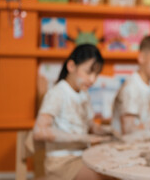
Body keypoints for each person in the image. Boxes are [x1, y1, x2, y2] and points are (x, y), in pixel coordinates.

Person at [33, 44, 113, 180]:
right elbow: (39, 132)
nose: (93, 79)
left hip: (83, 156)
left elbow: (91, 126)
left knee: (115, 168)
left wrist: (110, 131)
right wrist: (81, 138)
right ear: (71, 66)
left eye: (96, 74)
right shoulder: (58, 93)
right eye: (89, 72)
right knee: (105, 176)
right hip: (61, 162)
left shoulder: (83, 94)